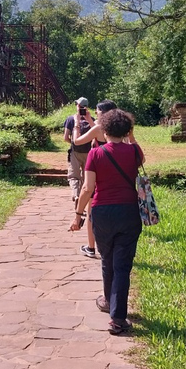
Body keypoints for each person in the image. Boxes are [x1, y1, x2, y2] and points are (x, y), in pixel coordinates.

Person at [69, 109, 144, 335]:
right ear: (128, 130)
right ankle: (118, 318)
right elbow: (140, 159)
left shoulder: (96, 154)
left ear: (104, 129)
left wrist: (78, 215)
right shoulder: (134, 152)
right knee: (122, 266)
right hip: (128, 212)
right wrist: (131, 136)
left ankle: (108, 301)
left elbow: (87, 188)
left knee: (107, 260)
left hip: (101, 212)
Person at [70, 99, 122, 259]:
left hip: (98, 168)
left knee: (91, 209)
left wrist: (77, 123)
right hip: (116, 171)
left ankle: (91, 247)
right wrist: (90, 120)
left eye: (98, 114)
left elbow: (77, 141)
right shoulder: (122, 127)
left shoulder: (100, 128)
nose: (97, 116)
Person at [63, 97, 94, 205]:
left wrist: (74, 142)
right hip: (89, 153)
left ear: (77, 106)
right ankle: (82, 200)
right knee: (86, 178)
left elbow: (66, 137)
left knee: (73, 176)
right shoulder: (92, 120)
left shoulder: (71, 119)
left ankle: (76, 195)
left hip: (75, 152)